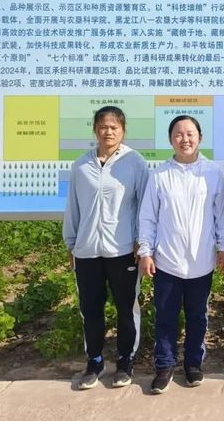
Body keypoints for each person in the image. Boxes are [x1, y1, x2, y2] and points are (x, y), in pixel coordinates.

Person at [137, 115, 224, 394]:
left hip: (201, 261)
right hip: (167, 260)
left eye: (190, 134)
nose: (185, 139)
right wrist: (146, 251)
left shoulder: (212, 173)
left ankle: (193, 364)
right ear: (170, 140)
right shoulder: (159, 175)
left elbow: (222, 215)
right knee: (165, 316)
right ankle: (164, 366)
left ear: (200, 138)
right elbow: (148, 218)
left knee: (197, 316)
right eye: (178, 134)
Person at [63, 105, 150, 390]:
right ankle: (95, 361)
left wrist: (141, 241)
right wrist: (71, 243)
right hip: (87, 251)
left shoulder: (135, 163)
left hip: (123, 250)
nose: (108, 132)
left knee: (126, 308)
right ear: (95, 130)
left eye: (114, 127)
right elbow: (73, 207)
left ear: (123, 130)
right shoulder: (81, 166)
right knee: (90, 309)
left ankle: (125, 361)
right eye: (102, 126)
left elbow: (144, 205)